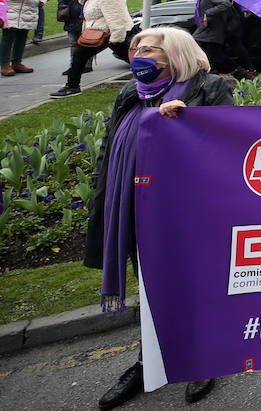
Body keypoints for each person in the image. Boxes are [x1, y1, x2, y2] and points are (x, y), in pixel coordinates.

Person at [84, 27, 230, 409]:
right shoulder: (130, 92)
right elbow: (110, 145)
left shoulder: (209, 88)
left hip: (187, 208)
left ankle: (201, 357)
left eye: (149, 49)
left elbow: (228, 143)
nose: (138, 55)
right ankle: (148, 358)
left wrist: (185, 121)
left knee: (193, 282)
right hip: (134, 203)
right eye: (136, 48)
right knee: (149, 285)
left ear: (175, 55)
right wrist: (104, 191)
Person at [50, 0, 132, 98]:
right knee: (131, 57)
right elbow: (87, 3)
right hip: (104, 32)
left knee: (79, 56)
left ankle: (72, 86)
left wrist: (117, 36)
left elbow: (115, 16)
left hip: (106, 32)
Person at [190, 0, 248, 76]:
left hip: (212, 28)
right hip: (211, 28)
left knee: (215, 55)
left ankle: (240, 73)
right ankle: (213, 72)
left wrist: (208, 13)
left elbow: (225, 4)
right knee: (213, 55)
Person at [57, 0, 94, 75]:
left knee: (86, 41)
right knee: (73, 42)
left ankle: (87, 64)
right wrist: (62, 6)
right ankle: (74, 65)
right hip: (71, 15)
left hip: (83, 15)